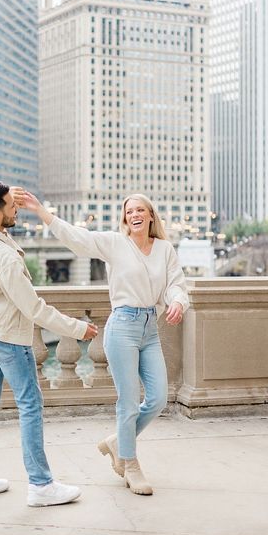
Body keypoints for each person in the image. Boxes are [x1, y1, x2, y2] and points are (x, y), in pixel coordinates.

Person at [22, 191, 189, 496]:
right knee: (127, 401)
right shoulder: (115, 243)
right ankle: (130, 463)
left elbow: (177, 283)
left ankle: (116, 441)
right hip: (122, 327)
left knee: (159, 398)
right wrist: (41, 212)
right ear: (125, 218)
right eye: (129, 212)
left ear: (150, 215)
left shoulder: (164, 249)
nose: (135, 215)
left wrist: (178, 301)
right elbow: (76, 238)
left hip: (150, 328)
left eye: (140, 210)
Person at [0, 180, 98, 506]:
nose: (16, 207)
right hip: (8, 339)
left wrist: (9, 188)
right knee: (30, 406)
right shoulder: (3, 259)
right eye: (11, 204)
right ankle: (41, 484)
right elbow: (34, 309)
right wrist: (79, 329)